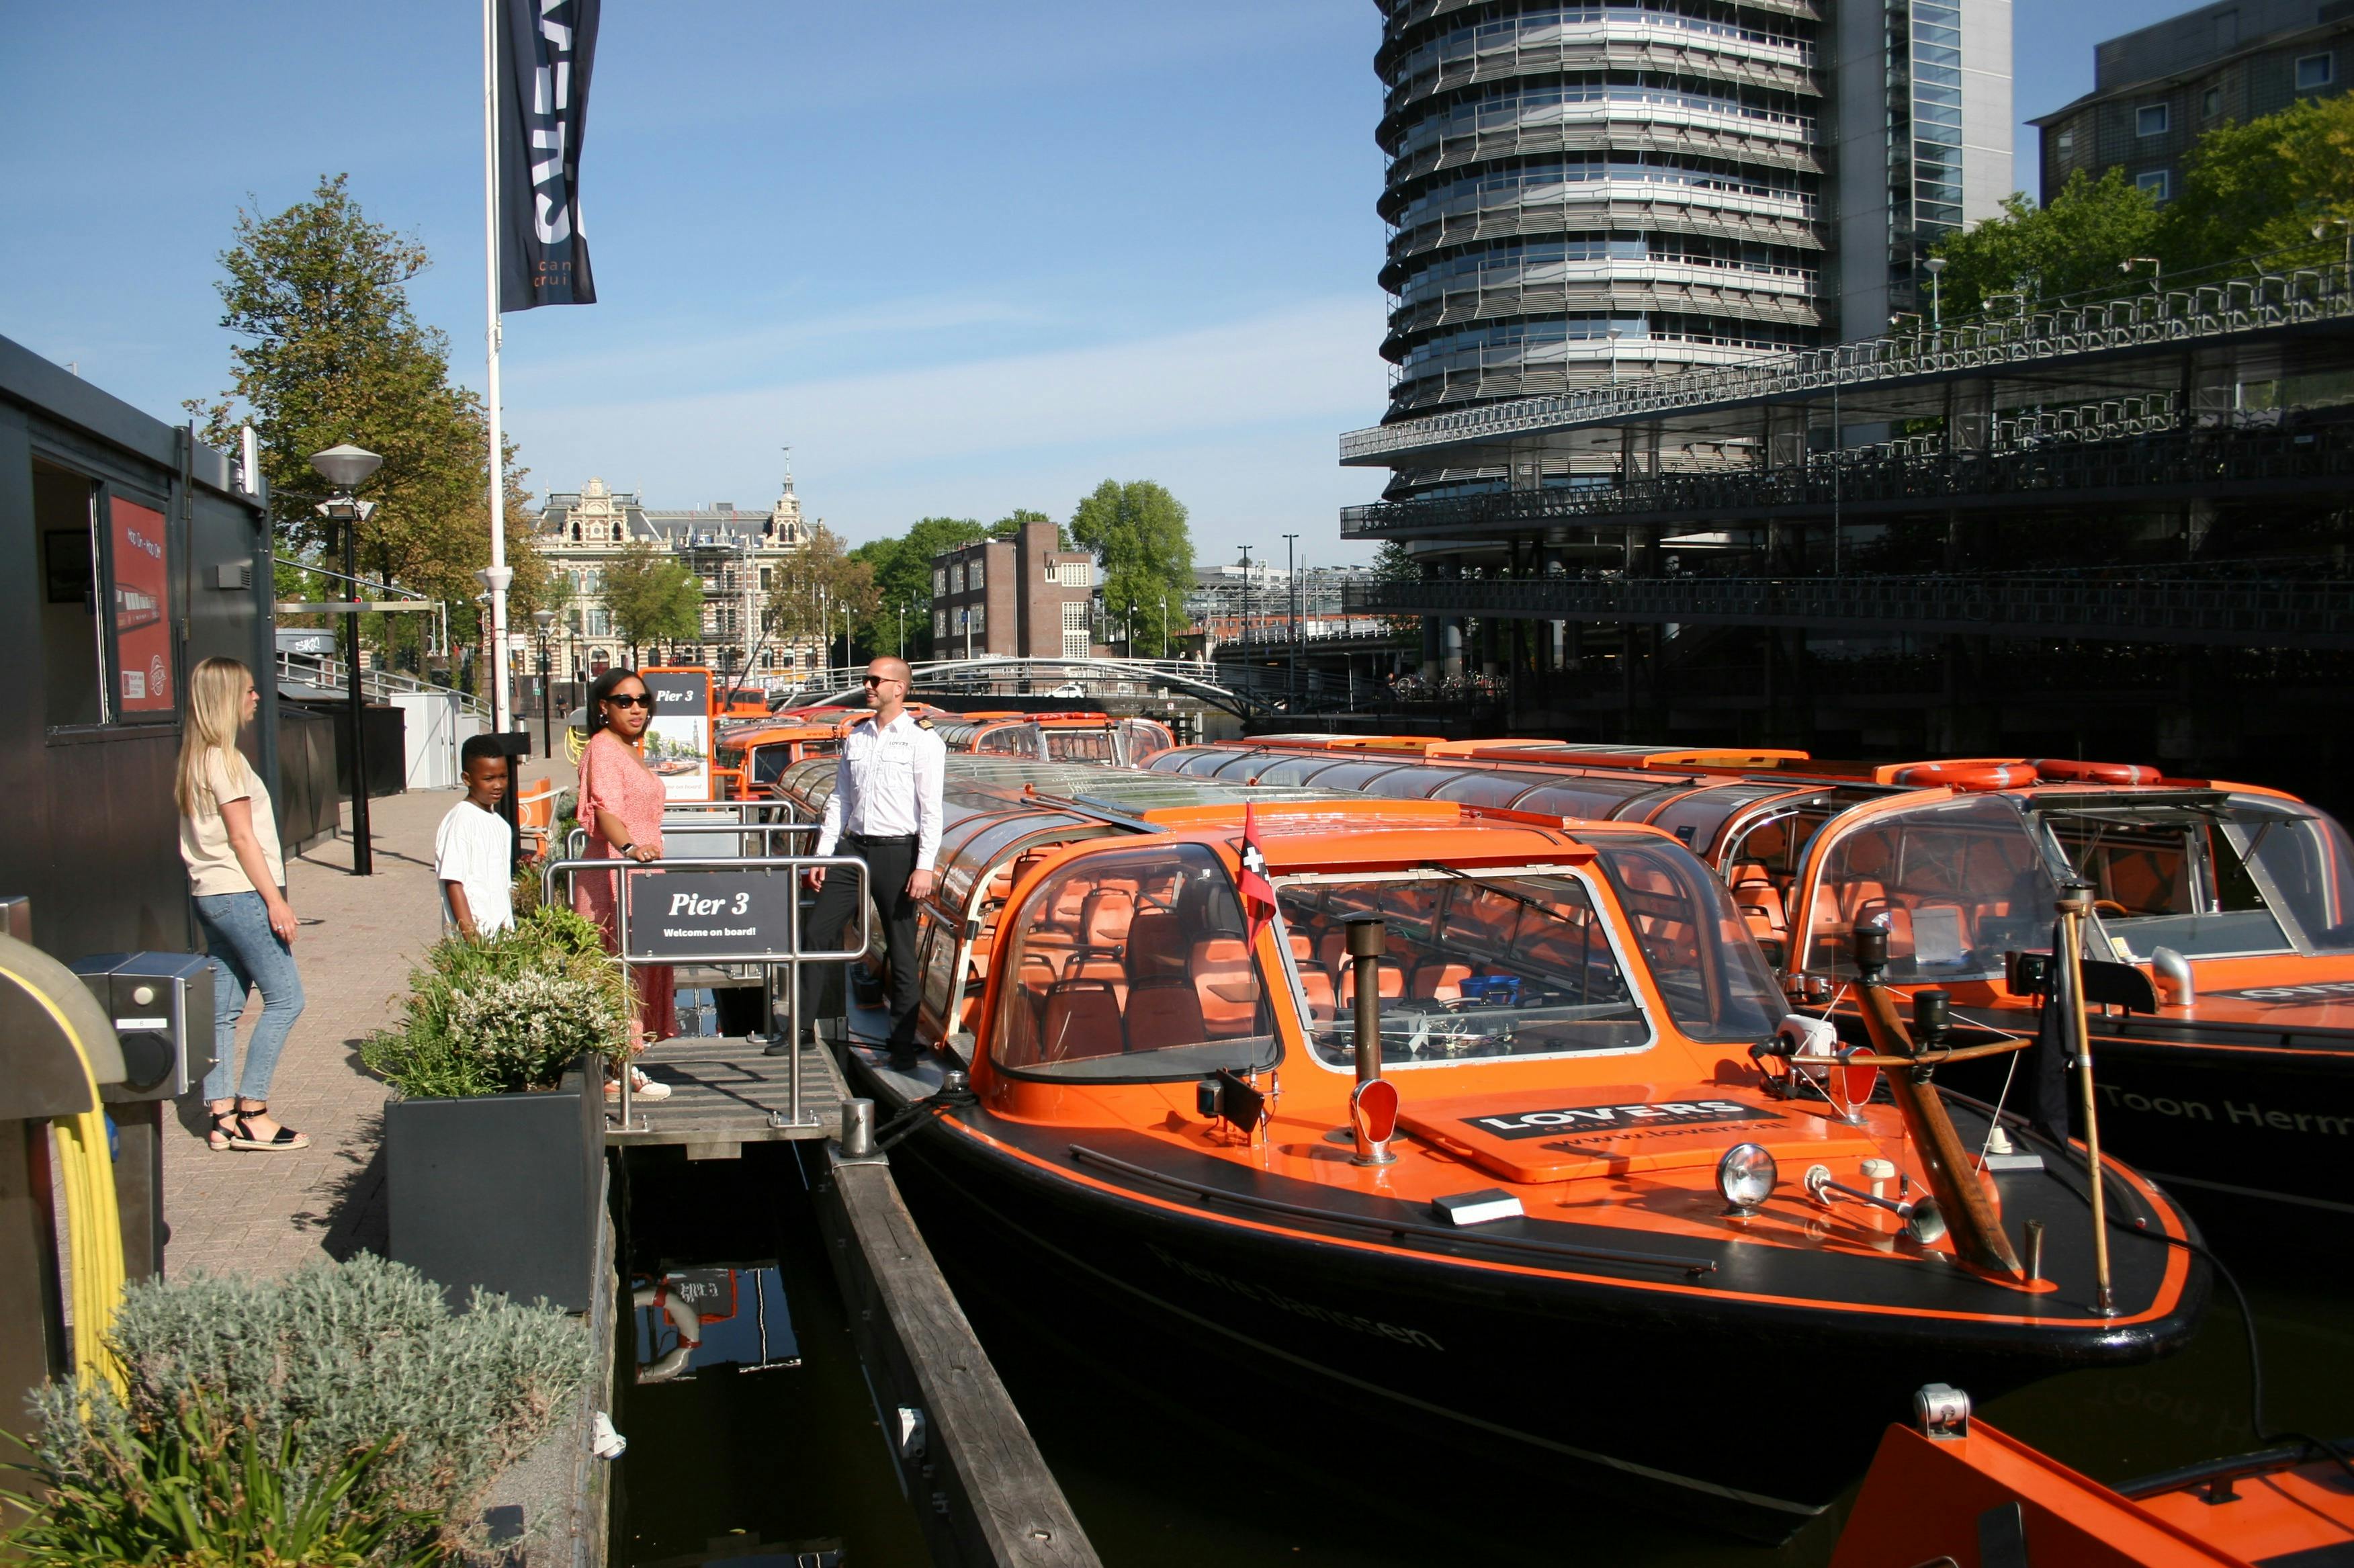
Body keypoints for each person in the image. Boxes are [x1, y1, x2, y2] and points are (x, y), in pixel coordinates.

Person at [175, 657, 309, 1152]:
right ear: (227, 696)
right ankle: (254, 1111)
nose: (257, 698)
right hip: (241, 893)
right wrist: (275, 901)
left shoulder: (194, 757)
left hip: (211, 895)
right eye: (250, 690)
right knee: (287, 998)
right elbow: (241, 837)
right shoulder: (225, 759)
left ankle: (221, 1117)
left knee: (225, 1008)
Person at [797, 656, 945, 1060]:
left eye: (875, 680)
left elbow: (931, 808)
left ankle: (901, 1044)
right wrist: (823, 856)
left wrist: (924, 865)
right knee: (816, 934)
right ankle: (801, 1030)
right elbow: (840, 800)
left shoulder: (923, 740)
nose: (867, 685)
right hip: (853, 848)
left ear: (899, 688)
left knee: (900, 949)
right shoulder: (858, 736)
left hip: (898, 851)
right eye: (866, 678)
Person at [574, 667, 674, 1101]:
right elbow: (604, 810)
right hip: (616, 871)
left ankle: (627, 1062)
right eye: (624, 701)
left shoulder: (628, 748)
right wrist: (631, 848)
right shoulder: (604, 748)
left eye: (642, 700)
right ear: (603, 707)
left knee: (637, 965)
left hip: (642, 872)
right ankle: (617, 1070)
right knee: (618, 967)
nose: (636, 708)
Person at [437, 736, 516, 941]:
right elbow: (454, 882)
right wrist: (472, 939)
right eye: (489, 779)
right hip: (473, 944)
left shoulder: (501, 825)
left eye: (503, 776)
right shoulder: (461, 820)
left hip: (501, 938)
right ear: (467, 779)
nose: (498, 785)